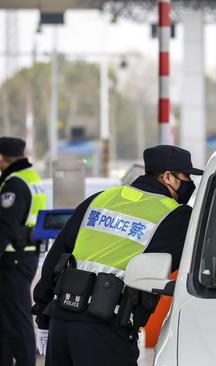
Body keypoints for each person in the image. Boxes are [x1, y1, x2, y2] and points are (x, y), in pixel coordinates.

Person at [32, 145, 203, 365]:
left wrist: (43, 315)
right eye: (186, 176)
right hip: (105, 329)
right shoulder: (176, 216)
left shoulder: (99, 199)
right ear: (167, 176)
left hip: (62, 320)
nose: (189, 182)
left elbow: (56, 257)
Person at [0, 137, 46, 366]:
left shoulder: (14, 184)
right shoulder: (30, 178)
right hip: (24, 258)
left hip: (13, 261)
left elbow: (5, 227)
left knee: (17, 319)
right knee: (7, 319)